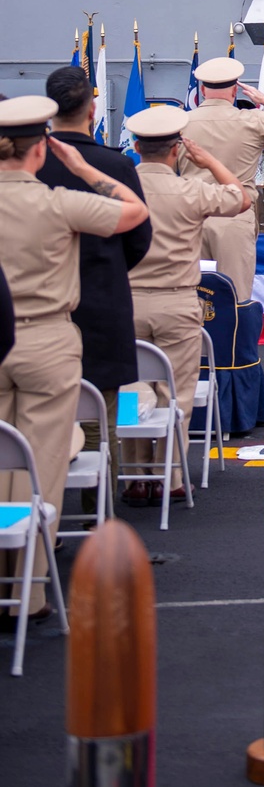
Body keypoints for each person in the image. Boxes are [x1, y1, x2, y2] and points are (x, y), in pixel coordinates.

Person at [0, 96, 148, 615]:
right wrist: (84, 168)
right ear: (40, 149)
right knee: (40, 465)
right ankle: (29, 593)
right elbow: (134, 212)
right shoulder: (58, 201)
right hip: (47, 341)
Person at [36, 64, 152, 508]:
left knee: (37, 417)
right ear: (93, 108)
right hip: (102, 302)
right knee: (99, 416)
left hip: (40, 309)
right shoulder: (114, 164)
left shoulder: (30, 165)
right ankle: (96, 509)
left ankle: (40, 515)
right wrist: (106, 270)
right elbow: (139, 236)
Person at [124, 105, 249, 502]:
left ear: (135, 146)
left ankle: (134, 477)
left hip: (127, 304)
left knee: (131, 389)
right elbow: (240, 198)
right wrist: (209, 160)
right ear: (176, 150)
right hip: (177, 303)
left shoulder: (119, 189)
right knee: (175, 393)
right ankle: (172, 476)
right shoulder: (191, 189)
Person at [182, 56, 264, 301]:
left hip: (189, 218)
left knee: (188, 298)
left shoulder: (182, 122)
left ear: (203, 90)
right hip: (233, 217)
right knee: (235, 298)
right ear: (233, 90)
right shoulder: (252, 120)